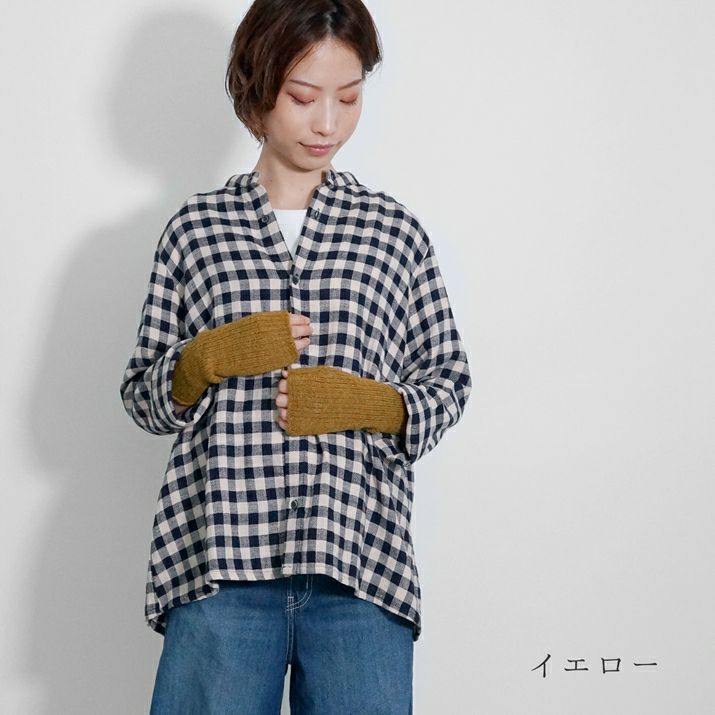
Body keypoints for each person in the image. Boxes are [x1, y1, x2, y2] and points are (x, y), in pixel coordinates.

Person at [119, 0, 472, 712]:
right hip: (219, 567)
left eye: (349, 98)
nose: (327, 124)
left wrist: (373, 402)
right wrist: (203, 359)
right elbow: (142, 397)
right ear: (257, 91)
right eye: (303, 98)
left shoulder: (392, 233)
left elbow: (449, 380)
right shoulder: (196, 230)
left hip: (359, 568)